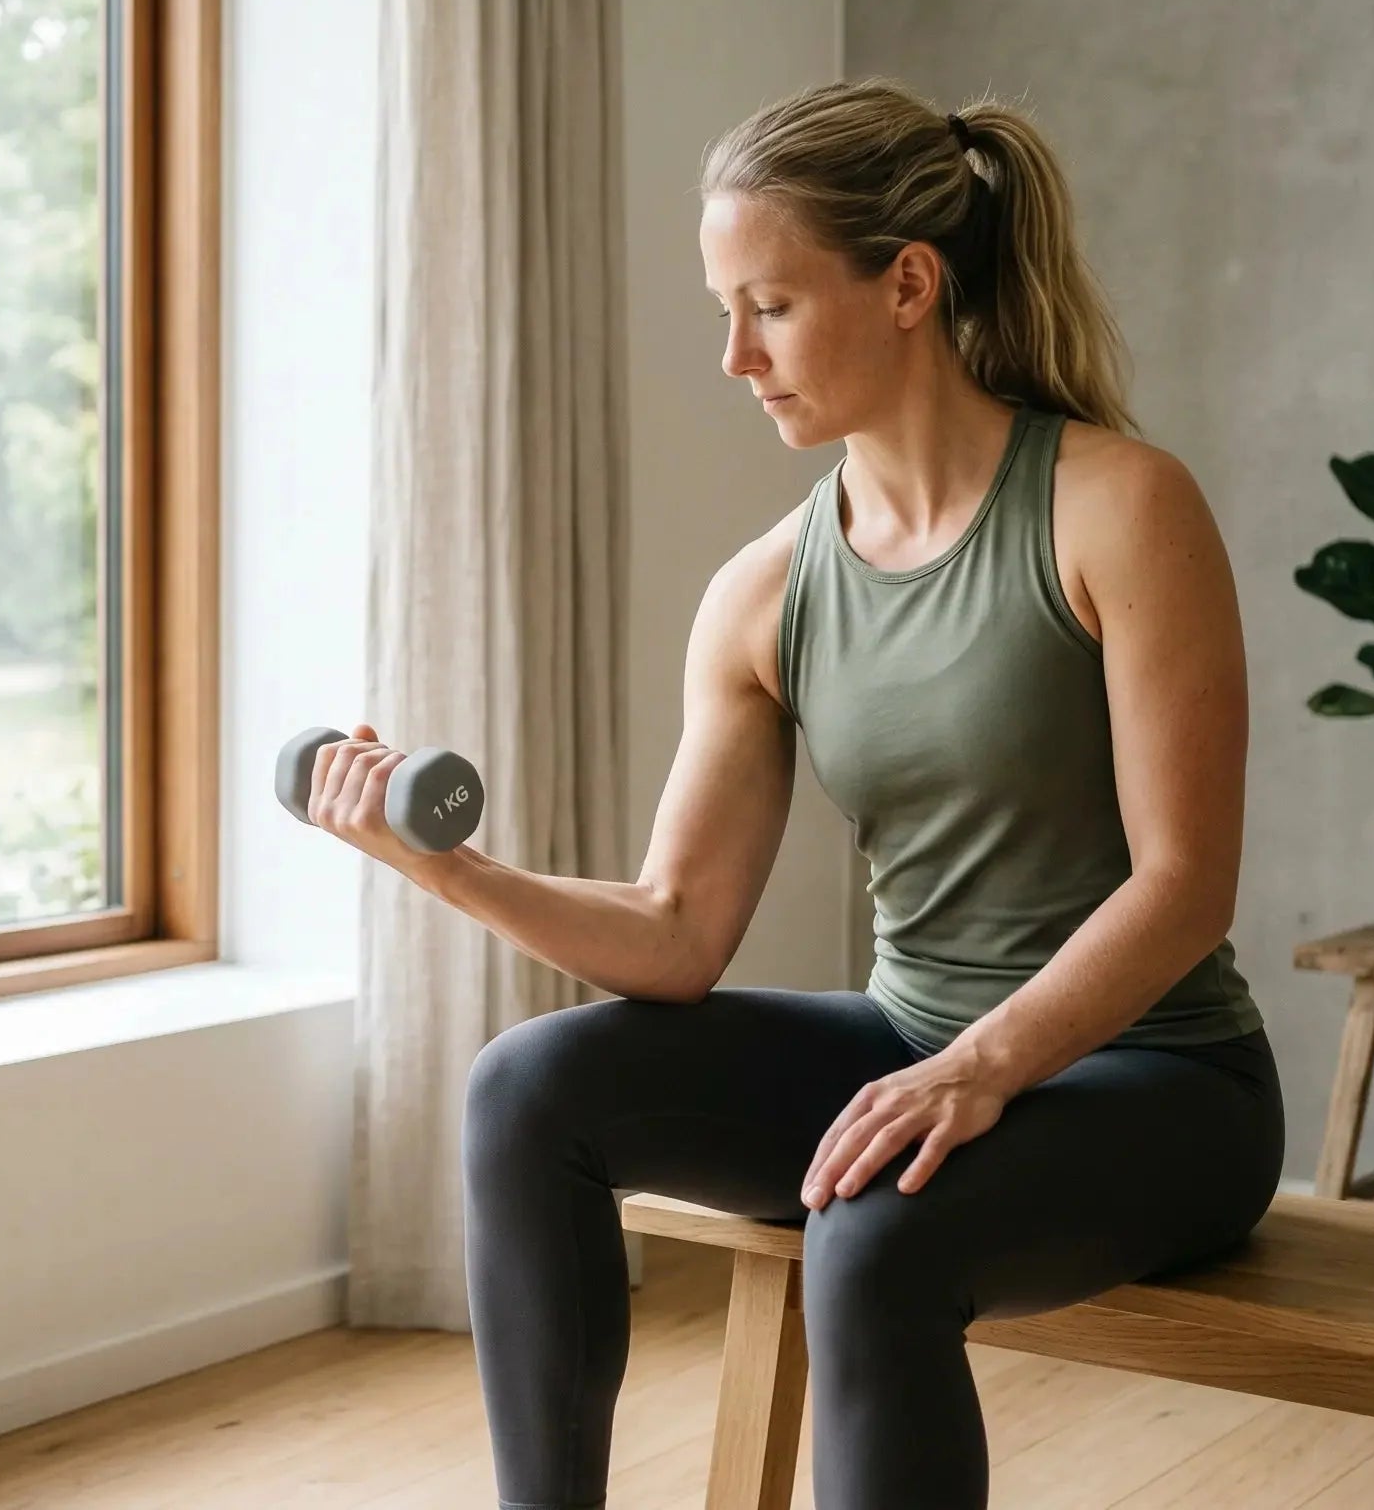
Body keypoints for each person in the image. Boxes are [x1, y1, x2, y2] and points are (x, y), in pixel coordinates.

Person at [300, 80, 1280, 1510]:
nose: (733, 356)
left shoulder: (1118, 508)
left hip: (1162, 1087)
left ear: (909, 285)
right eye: (724, 308)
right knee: (527, 1089)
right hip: (912, 1047)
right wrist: (447, 870)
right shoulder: (766, 588)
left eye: (768, 305)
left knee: (875, 1235)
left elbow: (1186, 883)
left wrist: (985, 1065)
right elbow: (676, 928)